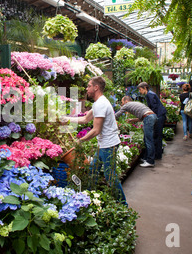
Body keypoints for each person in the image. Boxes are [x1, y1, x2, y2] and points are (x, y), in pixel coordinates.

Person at [62, 76, 126, 205]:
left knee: (110, 177)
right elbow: (85, 119)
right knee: (92, 170)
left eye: (89, 86)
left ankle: (123, 204)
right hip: (104, 144)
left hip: (109, 145)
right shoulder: (98, 103)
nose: (87, 88)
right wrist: (66, 119)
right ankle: (89, 198)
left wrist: (80, 141)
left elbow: (96, 130)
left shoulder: (101, 104)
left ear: (96, 87)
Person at [115, 96, 158, 167]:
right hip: (152, 116)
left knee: (149, 140)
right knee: (147, 139)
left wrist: (106, 119)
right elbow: (143, 116)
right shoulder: (135, 103)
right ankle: (147, 158)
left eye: (122, 102)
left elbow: (117, 115)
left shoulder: (127, 105)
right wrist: (132, 120)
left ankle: (150, 161)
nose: (122, 104)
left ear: (126, 101)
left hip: (149, 118)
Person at [137, 82, 167, 160]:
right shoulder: (150, 94)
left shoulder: (150, 95)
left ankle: (157, 155)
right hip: (159, 115)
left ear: (145, 88)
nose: (140, 91)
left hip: (159, 115)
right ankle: (157, 155)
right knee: (157, 135)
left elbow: (154, 108)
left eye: (140, 89)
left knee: (157, 135)